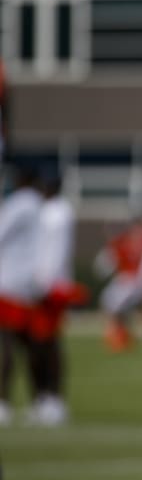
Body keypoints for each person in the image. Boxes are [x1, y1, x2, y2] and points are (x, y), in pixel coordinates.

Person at [28, 167, 80, 427]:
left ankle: (53, 399)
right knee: (38, 344)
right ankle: (43, 397)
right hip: (41, 285)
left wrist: (44, 283)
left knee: (48, 343)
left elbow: (54, 253)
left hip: (49, 287)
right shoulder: (49, 211)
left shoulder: (57, 213)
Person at [0, 166, 43, 426]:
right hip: (32, 285)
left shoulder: (18, 204)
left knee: (6, 344)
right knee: (34, 345)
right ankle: (43, 399)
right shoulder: (43, 206)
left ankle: (3, 401)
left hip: (10, 283)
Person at [94, 214, 142, 352]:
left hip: (138, 283)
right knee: (111, 303)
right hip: (126, 282)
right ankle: (117, 336)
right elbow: (105, 263)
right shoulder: (123, 242)